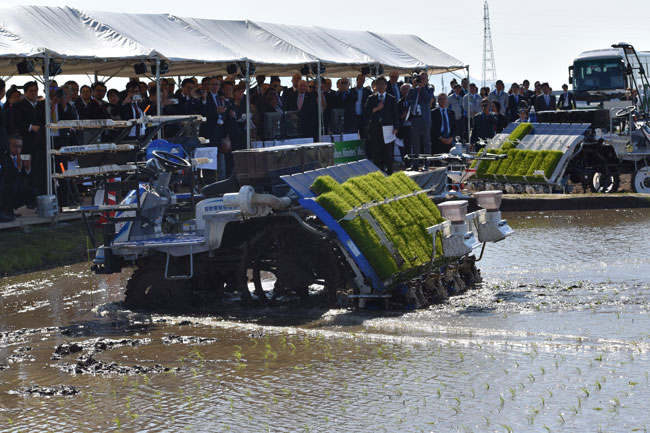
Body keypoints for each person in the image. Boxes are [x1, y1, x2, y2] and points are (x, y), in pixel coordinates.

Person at [9, 81, 45, 194]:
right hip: (26, 144)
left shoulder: (42, 105)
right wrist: (30, 127)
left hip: (40, 143)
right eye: (31, 91)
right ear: (25, 93)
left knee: (40, 170)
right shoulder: (18, 106)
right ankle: (30, 196)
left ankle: (39, 194)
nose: (34, 93)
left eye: (35, 90)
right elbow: (15, 123)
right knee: (27, 170)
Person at [364, 76, 398, 174]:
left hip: (388, 128)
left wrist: (396, 128)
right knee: (376, 151)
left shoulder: (391, 98)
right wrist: (376, 109)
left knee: (388, 151)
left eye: (382, 84)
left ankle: (389, 171)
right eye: (378, 84)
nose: (380, 86)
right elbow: (366, 112)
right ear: (375, 86)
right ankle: (378, 171)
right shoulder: (371, 98)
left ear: (386, 86)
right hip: (375, 128)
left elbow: (395, 114)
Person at [1, 134, 38, 219]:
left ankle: (10, 208)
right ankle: (6, 209)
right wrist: (18, 168)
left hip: (15, 187)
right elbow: (7, 175)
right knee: (12, 186)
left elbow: (25, 176)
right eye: (14, 146)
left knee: (34, 193)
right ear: (8, 145)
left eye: (19, 147)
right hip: (5, 186)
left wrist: (27, 168)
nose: (17, 149)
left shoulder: (19, 158)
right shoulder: (4, 157)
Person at [405, 72, 434, 155]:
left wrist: (422, 87)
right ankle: (415, 164)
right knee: (415, 142)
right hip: (415, 118)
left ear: (427, 80)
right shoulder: (414, 89)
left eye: (424, 79)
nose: (422, 80)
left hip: (425, 119)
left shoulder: (430, 88)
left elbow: (428, 99)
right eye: (420, 79)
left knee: (426, 142)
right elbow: (407, 98)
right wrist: (413, 87)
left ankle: (426, 164)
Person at [354, 74, 372, 144]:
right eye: (360, 79)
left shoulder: (367, 92)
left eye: (363, 80)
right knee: (354, 136)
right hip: (354, 117)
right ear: (357, 80)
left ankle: (366, 153)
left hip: (363, 118)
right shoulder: (352, 91)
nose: (361, 81)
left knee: (364, 137)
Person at [397, 83, 412, 164]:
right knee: (406, 146)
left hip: (415, 126)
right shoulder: (400, 102)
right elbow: (396, 115)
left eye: (407, 89)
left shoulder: (415, 100)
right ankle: (407, 163)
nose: (406, 91)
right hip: (404, 127)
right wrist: (402, 116)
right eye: (403, 89)